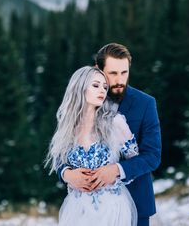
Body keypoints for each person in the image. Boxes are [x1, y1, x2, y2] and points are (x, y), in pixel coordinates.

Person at [59, 43, 162, 226]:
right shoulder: (82, 102)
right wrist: (67, 174)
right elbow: (60, 152)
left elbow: (152, 156)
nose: (120, 80)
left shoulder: (145, 104)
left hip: (136, 203)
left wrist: (116, 170)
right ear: (98, 68)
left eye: (124, 72)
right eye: (113, 73)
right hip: (85, 210)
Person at [46, 66, 140, 226]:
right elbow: (59, 161)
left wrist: (115, 171)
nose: (102, 91)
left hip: (111, 208)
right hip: (77, 209)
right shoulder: (67, 126)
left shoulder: (115, 122)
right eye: (95, 85)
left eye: (105, 87)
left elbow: (138, 164)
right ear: (79, 87)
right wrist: (68, 175)